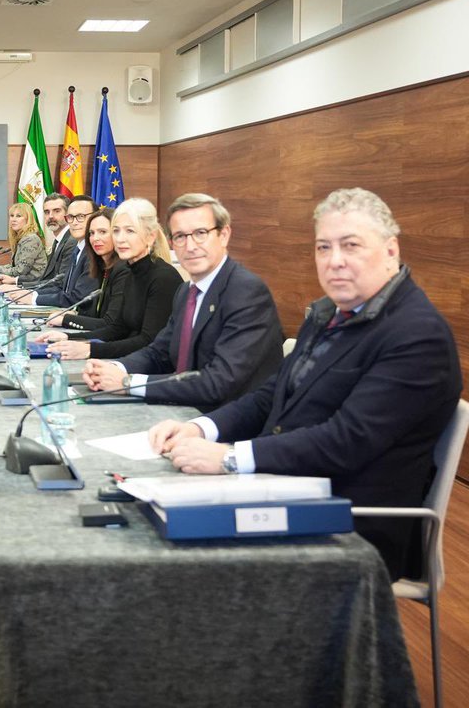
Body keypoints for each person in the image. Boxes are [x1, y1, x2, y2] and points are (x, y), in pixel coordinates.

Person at [150, 188, 461, 580]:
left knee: (177, 561)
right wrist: (201, 427)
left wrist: (229, 458)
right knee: (152, 518)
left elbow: (345, 441)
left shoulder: (416, 335)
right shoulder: (329, 312)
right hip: (286, 485)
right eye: (323, 248)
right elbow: (270, 395)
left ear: (390, 250)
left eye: (351, 246)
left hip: (350, 521)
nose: (335, 262)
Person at [81, 194, 283, 411]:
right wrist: (112, 368)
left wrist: (128, 383)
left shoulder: (246, 291)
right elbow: (159, 352)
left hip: (232, 424)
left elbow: (218, 382)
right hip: (182, 410)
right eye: (179, 236)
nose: (190, 246)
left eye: (200, 234)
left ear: (223, 235)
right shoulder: (186, 291)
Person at [35, 197, 181, 360]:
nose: (120, 238)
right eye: (116, 231)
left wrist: (90, 350)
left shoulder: (163, 277)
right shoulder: (132, 271)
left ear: (150, 237)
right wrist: (70, 339)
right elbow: (117, 328)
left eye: (130, 231)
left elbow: (149, 341)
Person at [2, 194, 99, 307]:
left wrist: (30, 295)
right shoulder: (66, 242)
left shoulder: (75, 243)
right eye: (47, 212)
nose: (51, 216)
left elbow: (63, 287)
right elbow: (56, 282)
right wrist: (25, 292)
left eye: (57, 211)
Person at [0, 202, 47, 280]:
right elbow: (14, 266)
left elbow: (20, 271)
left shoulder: (30, 239)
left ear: (28, 219)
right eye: (12, 216)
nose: (13, 219)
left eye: (18, 216)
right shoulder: (21, 238)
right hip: (23, 282)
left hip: (33, 285)